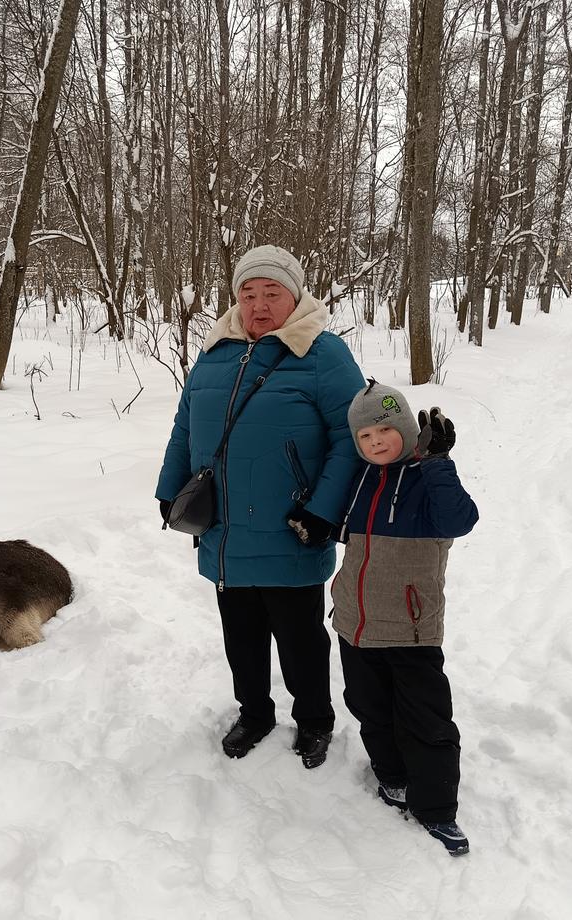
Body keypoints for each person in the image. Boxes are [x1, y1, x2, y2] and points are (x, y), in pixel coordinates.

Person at [155, 244, 364, 768]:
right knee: (240, 635)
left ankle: (315, 718)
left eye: (272, 292)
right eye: (248, 293)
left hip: (291, 526)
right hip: (224, 528)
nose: (258, 304)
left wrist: (323, 510)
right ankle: (255, 712)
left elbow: (351, 437)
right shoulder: (214, 353)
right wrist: (169, 486)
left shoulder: (322, 353)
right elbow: (185, 427)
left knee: (300, 640)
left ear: (295, 296)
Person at [330, 381, 479, 856]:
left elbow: (460, 521)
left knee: (426, 719)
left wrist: (436, 462)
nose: (375, 442)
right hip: (356, 623)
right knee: (369, 708)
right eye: (365, 436)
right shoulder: (361, 478)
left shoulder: (426, 479)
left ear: (407, 430)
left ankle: (436, 809)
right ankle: (392, 778)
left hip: (411, 629)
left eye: (384, 431)